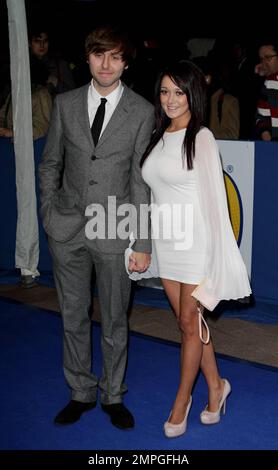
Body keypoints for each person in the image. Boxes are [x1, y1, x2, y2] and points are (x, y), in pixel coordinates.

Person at [39, 25, 154, 429]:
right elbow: (51, 162)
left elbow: (141, 182)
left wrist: (141, 240)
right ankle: (81, 391)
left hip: (115, 231)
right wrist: (49, 213)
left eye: (115, 56)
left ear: (125, 62)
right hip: (66, 229)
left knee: (115, 319)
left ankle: (113, 394)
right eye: (99, 55)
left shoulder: (142, 111)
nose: (106, 64)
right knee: (73, 315)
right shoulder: (65, 103)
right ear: (87, 57)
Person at [141, 61, 251, 438]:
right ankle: (218, 386)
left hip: (196, 246)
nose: (171, 99)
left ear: (192, 94)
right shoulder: (158, 133)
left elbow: (216, 204)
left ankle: (181, 401)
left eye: (179, 92)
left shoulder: (201, 137)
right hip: (167, 246)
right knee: (189, 324)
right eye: (165, 91)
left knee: (189, 325)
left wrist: (216, 261)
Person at [29, 28, 76, 98]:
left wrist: (55, 82)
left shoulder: (60, 64)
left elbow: (74, 94)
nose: (42, 45)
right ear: (29, 43)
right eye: (37, 41)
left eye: (45, 41)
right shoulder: (23, 66)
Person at [255, 39, 278, 141]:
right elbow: (261, 118)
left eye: (268, 58)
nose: (264, 63)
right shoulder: (268, 83)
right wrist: (267, 136)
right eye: (261, 59)